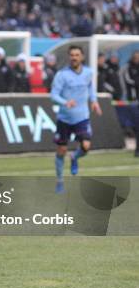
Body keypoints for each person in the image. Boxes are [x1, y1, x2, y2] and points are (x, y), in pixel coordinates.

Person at [50, 46, 102, 193]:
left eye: (77, 55)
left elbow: (91, 88)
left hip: (82, 117)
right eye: (72, 55)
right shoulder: (61, 75)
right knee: (61, 149)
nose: (74, 57)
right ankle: (59, 181)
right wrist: (65, 102)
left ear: (82, 57)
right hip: (64, 118)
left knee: (86, 146)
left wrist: (94, 101)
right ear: (69, 57)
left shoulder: (88, 72)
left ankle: (74, 157)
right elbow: (53, 95)